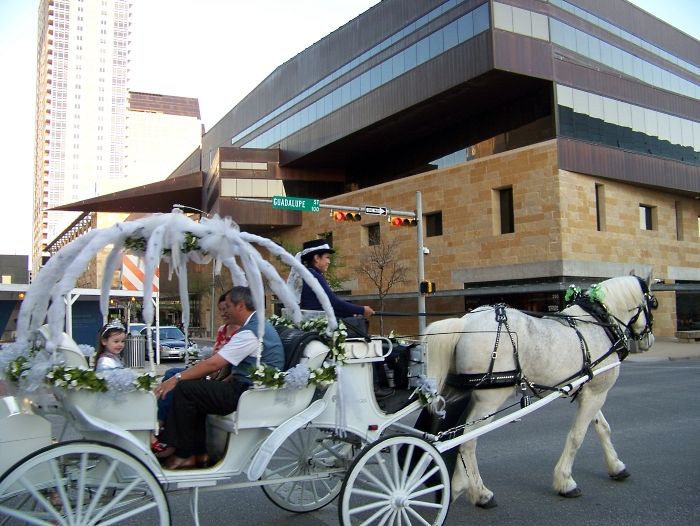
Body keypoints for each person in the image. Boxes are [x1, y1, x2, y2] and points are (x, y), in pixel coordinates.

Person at [154, 286, 284, 470]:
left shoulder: (250, 332)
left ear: (240, 306)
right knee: (195, 390)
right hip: (243, 387)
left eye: (228, 306)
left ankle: (183, 453)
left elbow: (214, 364)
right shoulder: (255, 327)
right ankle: (198, 453)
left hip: (247, 392)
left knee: (185, 389)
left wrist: (176, 378)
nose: (225, 311)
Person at [151, 292, 241, 456]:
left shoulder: (242, 333)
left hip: (221, 375)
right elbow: (214, 357)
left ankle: (167, 430)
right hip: (213, 372)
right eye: (221, 309)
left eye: (226, 308)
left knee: (181, 383)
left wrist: (213, 375)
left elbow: (225, 364)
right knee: (172, 372)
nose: (224, 313)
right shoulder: (222, 330)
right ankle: (162, 420)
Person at [297, 239, 375, 318]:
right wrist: (362, 310)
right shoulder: (314, 276)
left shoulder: (307, 274)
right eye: (327, 257)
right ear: (316, 258)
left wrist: (352, 313)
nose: (329, 262)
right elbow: (333, 303)